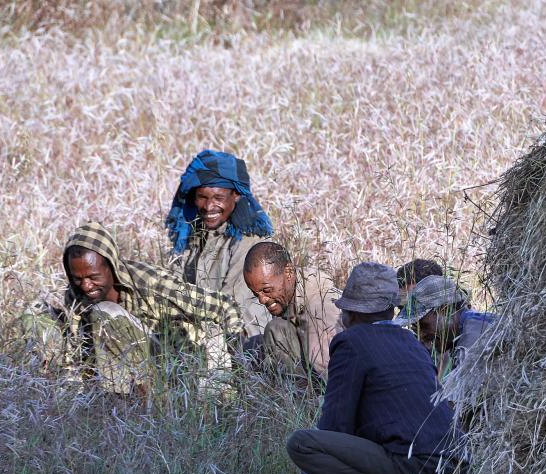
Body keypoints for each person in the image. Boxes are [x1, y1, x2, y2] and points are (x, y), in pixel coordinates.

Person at [282, 262, 467, 474]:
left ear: (350, 314)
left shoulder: (350, 343)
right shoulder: (411, 342)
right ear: (391, 311)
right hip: (458, 470)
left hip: (420, 469)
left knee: (301, 443)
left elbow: (336, 426)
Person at [25, 222, 245, 395]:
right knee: (35, 312)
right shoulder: (76, 294)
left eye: (93, 277)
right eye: (77, 278)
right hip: (111, 370)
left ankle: (123, 403)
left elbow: (223, 306)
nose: (86, 286)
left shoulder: (152, 282)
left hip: (168, 369)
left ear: (112, 266)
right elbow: (79, 345)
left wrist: (238, 366)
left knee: (106, 313)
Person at [166, 150, 274, 352]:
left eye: (218, 197)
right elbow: (174, 286)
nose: (208, 206)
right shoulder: (195, 234)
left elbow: (230, 306)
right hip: (200, 328)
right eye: (202, 197)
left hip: (242, 340)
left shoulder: (250, 241)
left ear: (236, 195)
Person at [242, 241, 341, 385]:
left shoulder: (319, 313)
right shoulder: (292, 289)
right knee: (257, 342)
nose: (262, 300)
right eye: (255, 293)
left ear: (288, 272)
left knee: (275, 331)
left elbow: (337, 381)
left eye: (267, 290)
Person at [394, 275, 496, 376]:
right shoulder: (465, 330)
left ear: (446, 310)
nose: (421, 337)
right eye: (416, 329)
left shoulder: (474, 336)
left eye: (424, 326)